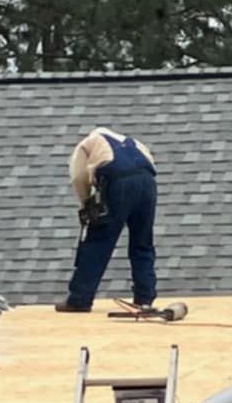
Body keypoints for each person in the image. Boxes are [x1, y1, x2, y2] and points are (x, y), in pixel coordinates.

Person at [55, 125, 158, 313]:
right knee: (142, 242)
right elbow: (150, 165)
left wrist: (87, 204)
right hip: (148, 185)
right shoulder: (135, 144)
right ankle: (145, 298)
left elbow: (78, 177)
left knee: (98, 242)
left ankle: (80, 299)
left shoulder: (88, 144)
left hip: (119, 184)